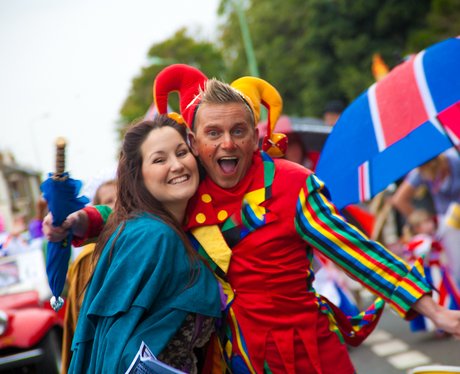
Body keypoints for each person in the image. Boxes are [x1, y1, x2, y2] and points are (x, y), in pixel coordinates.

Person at [45, 65, 460, 374]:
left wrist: (433, 310)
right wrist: (78, 222)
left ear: (256, 136)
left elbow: (358, 252)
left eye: (239, 131)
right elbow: (133, 213)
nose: (228, 142)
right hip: (230, 356)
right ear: (194, 141)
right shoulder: (190, 186)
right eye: (213, 133)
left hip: (303, 349)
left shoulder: (293, 185)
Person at [64, 116, 221, 373]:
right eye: (159, 159)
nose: (177, 165)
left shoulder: (153, 228)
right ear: (139, 176)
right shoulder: (153, 236)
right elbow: (115, 348)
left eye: (182, 153)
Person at [61, 179, 117, 373]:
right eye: (109, 200)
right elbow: (84, 317)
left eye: (122, 197)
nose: (117, 205)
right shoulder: (88, 258)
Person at [402, 209, 460, 334]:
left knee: (446, 296)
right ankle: (443, 326)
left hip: (439, 271)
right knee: (440, 298)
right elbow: (420, 253)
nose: (430, 224)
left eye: (429, 221)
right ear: (417, 228)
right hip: (433, 274)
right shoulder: (421, 240)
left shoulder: (428, 238)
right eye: (425, 223)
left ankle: (447, 324)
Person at [391, 149, 460, 222]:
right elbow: (399, 199)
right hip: (446, 222)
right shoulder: (420, 172)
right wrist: (421, 220)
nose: (435, 178)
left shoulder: (455, 162)